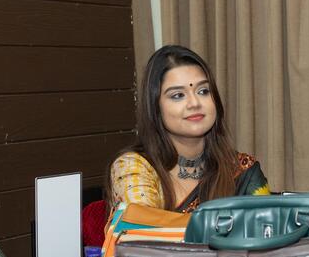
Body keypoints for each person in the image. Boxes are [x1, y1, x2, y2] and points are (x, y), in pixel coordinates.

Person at [107, 45, 269, 213]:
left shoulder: (241, 170)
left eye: (203, 91)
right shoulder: (134, 167)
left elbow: (269, 224)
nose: (195, 103)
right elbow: (142, 226)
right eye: (178, 95)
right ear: (155, 108)